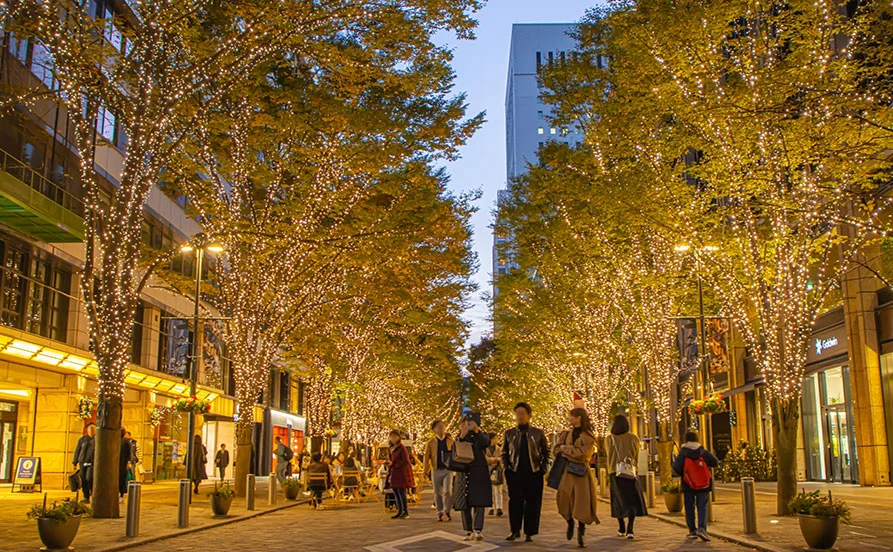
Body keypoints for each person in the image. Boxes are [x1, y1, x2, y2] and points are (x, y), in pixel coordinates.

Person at [502, 402, 551, 542]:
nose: (520, 416)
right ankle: (515, 530)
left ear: (529, 415)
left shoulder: (538, 433)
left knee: (533, 503)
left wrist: (542, 468)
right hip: (515, 472)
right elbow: (504, 452)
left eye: (522, 413)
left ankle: (530, 532)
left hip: (534, 472)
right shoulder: (509, 433)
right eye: (517, 414)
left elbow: (546, 452)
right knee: (515, 502)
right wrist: (507, 467)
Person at [553, 408, 600, 548]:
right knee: (563, 499)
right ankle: (569, 522)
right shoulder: (566, 434)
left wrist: (565, 450)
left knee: (582, 502)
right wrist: (567, 451)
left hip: (581, 473)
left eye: (571, 417)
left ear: (579, 418)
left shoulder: (588, 436)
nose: (569, 419)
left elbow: (584, 455)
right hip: (566, 472)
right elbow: (556, 450)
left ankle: (581, 530)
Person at [605, 414, 647, 540]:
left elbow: (608, 454)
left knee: (618, 500)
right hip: (630, 472)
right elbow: (635, 454)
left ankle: (621, 526)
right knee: (632, 501)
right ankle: (630, 529)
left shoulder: (609, 438)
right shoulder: (633, 437)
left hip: (614, 472)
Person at [673, 431, 719, 541]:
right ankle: (702, 528)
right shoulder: (703, 451)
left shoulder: (683, 453)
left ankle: (692, 530)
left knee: (689, 507)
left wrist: (685, 473)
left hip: (688, 484)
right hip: (703, 484)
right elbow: (715, 462)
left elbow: (676, 467)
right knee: (702, 506)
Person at [456, 412, 492, 542]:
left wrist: (477, 431)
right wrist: (461, 437)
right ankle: (468, 530)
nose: (467, 424)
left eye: (470, 422)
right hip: (464, 471)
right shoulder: (461, 436)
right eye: (466, 422)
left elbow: (486, 443)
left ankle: (477, 529)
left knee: (479, 501)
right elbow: (456, 449)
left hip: (479, 472)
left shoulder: (481, 436)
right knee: (464, 502)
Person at [423, 419, 454, 522]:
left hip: (448, 469)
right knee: (437, 492)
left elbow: (455, 453)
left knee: (448, 491)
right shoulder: (431, 442)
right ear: (434, 429)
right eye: (438, 426)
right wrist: (425, 470)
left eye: (443, 426)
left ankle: (447, 510)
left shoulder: (450, 440)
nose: (441, 428)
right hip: (436, 469)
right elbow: (426, 457)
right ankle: (439, 512)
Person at [386, 429, 414, 519]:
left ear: (398, 437)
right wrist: (388, 463)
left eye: (395, 436)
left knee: (401, 493)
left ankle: (405, 511)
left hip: (400, 473)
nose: (393, 438)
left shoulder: (402, 448)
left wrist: (393, 464)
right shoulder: (390, 448)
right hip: (393, 473)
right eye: (392, 436)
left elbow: (405, 461)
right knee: (396, 493)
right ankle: (399, 510)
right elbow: (390, 459)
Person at [72, 423, 96, 503]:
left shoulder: (97, 439)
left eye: (93, 429)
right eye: (90, 429)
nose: (92, 431)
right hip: (83, 462)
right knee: (83, 479)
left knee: (89, 478)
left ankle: (93, 494)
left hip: (92, 463)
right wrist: (75, 462)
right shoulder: (82, 440)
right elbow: (77, 450)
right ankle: (86, 496)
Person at [486, 433, 504, 517]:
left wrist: (493, 460)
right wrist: (495, 459)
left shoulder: (499, 449)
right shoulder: (485, 449)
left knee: (498, 489)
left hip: (497, 470)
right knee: (489, 490)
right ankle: (491, 507)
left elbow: (502, 458)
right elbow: (485, 459)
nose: (496, 440)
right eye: (494, 438)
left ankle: (499, 507)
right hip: (488, 471)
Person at [118, 428, 133, 499]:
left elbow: (129, 453)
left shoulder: (126, 442)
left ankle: (121, 494)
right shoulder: (115, 440)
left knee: (122, 479)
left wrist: (128, 462)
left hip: (123, 463)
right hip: (118, 463)